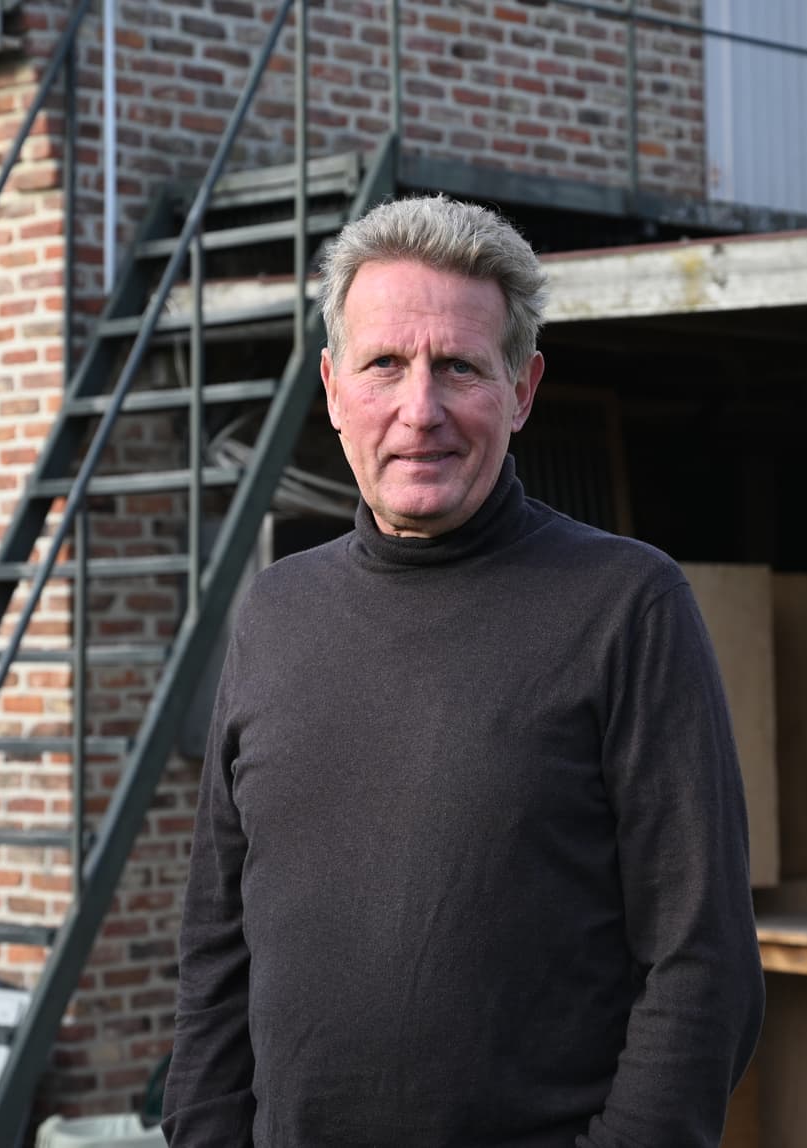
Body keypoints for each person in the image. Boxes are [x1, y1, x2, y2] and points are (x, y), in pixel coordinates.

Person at [163, 194, 763, 1147]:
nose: (420, 410)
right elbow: (215, 942)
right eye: (384, 365)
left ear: (522, 389)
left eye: (459, 367)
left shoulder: (625, 607)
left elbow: (703, 964)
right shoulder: (276, 613)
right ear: (333, 387)